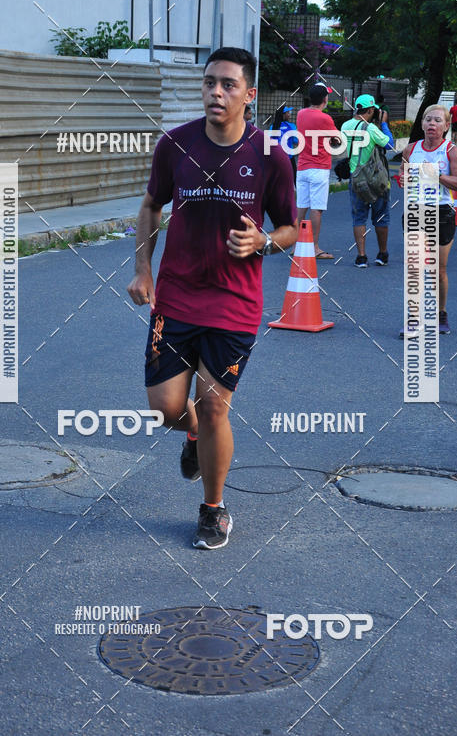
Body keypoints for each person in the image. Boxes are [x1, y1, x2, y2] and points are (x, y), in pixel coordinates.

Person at [127, 47, 297, 550]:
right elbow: (150, 205)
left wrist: (263, 241)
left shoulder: (270, 155)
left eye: (227, 84)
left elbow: (291, 227)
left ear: (248, 94)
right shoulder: (174, 145)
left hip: (234, 303)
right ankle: (193, 434)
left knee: (215, 405)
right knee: (165, 408)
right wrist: (143, 270)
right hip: (176, 297)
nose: (215, 93)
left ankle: (213, 508)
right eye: (208, 83)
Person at [399, 104, 457, 334]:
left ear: (447, 126)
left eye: (438, 120)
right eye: (428, 120)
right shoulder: (411, 149)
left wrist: (437, 176)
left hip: (441, 212)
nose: (432, 124)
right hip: (415, 210)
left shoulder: (450, 151)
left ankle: (440, 314)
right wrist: (403, 179)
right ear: (422, 124)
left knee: (438, 270)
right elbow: (404, 175)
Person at [341, 94, 391, 268]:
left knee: (359, 218)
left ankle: (361, 257)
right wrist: (383, 123)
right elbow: (389, 144)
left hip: (356, 179)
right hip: (376, 180)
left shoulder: (345, 125)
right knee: (381, 218)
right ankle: (382, 254)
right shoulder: (370, 128)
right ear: (370, 110)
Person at [295, 82, 340, 260]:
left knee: (301, 206)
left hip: (302, 166)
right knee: (317, 209)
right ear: (324, 99)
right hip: (319, 166)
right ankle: (314, 247)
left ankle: (298, 245)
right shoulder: (325, 118)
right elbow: (337, 139)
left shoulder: (301, 114)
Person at [273, 106, 297, 181]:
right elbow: (296, 141)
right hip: (289, 157)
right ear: (283, 115)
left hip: (277, 157)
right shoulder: (291, 126)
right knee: (294, 178)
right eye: (288, 113)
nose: (289, 114)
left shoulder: (273, 127)